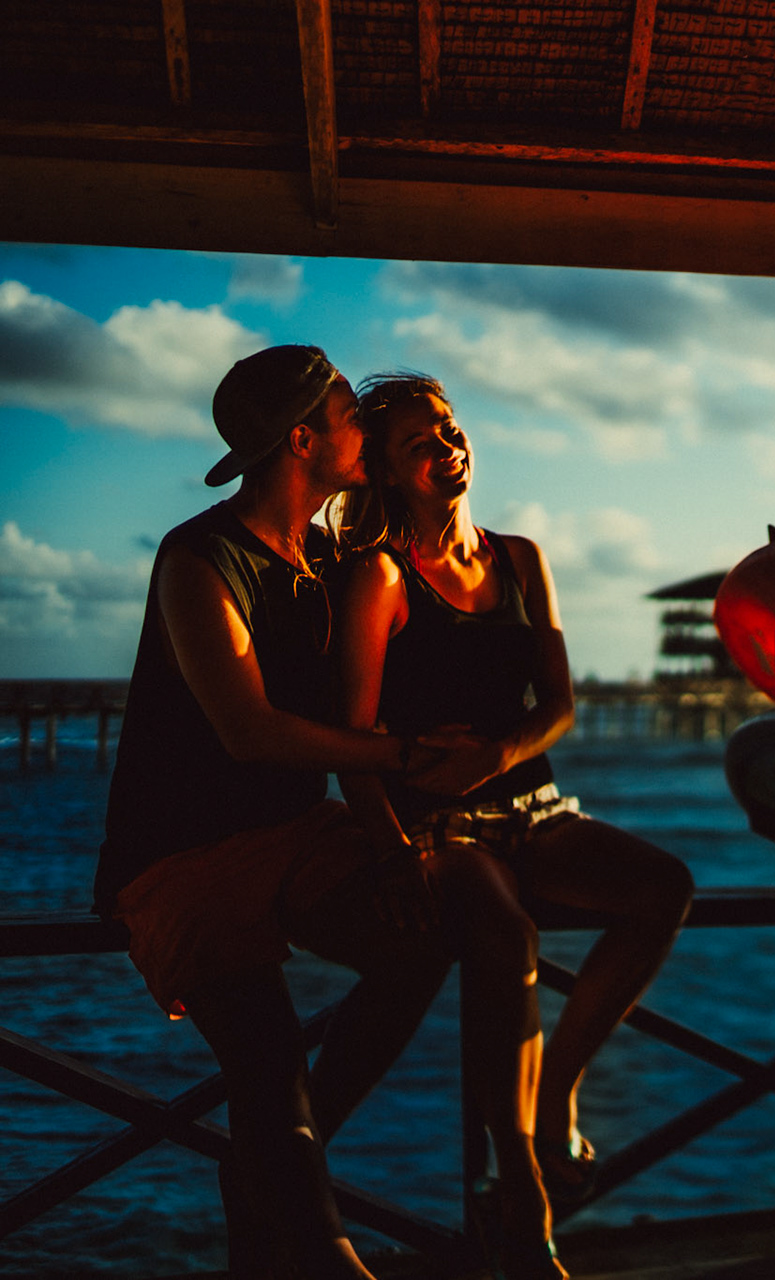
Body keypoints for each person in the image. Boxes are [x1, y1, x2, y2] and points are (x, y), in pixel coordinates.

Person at [94, 346, 503, 1280]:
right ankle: (322, 1248)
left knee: (427, 933)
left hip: (296, 838)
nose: (363, 427)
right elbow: (248, 732)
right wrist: (404, 757)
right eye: (349, 414)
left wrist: (406, 828)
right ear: (303, 440)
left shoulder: (332, 556)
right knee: (268, 1058)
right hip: (181, 860)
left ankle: (275, 1169)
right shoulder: (199, 559)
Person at [327, 373, 693, 1275]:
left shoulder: (520, 557)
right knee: (503, 936)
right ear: (384, 472)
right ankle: (520, 1189)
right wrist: (389, 848)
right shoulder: (378, 575)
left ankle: (557, 1089)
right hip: (439, 827)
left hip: (530, 805)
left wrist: (496, 757)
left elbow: (561, 703)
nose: (447, 448)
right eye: (420, 443)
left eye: (448, 429)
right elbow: (350, 739)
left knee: (663, 888)